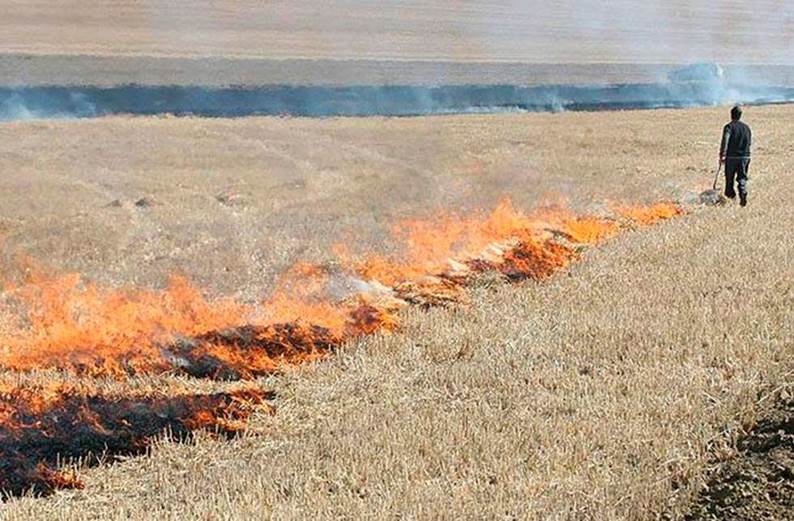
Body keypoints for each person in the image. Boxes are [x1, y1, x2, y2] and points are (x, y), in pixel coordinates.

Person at [720, 105, 752, 206]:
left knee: (729, 179)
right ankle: (743, 192)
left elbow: (725, 140)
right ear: (740, 115)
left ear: (731, 115)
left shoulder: (729, 127)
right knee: (742, 178)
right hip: (745, 157)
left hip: (732, 157)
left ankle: (731, 199)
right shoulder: (747, 128)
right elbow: (749, 142)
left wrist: (723, 154)